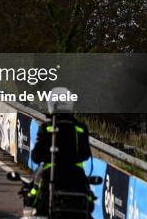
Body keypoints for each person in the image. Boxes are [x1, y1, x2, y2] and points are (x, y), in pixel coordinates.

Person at [29, 87, 92, 216]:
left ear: (51, 104)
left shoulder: (46, 128)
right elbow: (86, 154)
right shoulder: (80, 128)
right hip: (77, 178)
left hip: (51, 177)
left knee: (34, 201)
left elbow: (36, 157)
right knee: (87, 206)